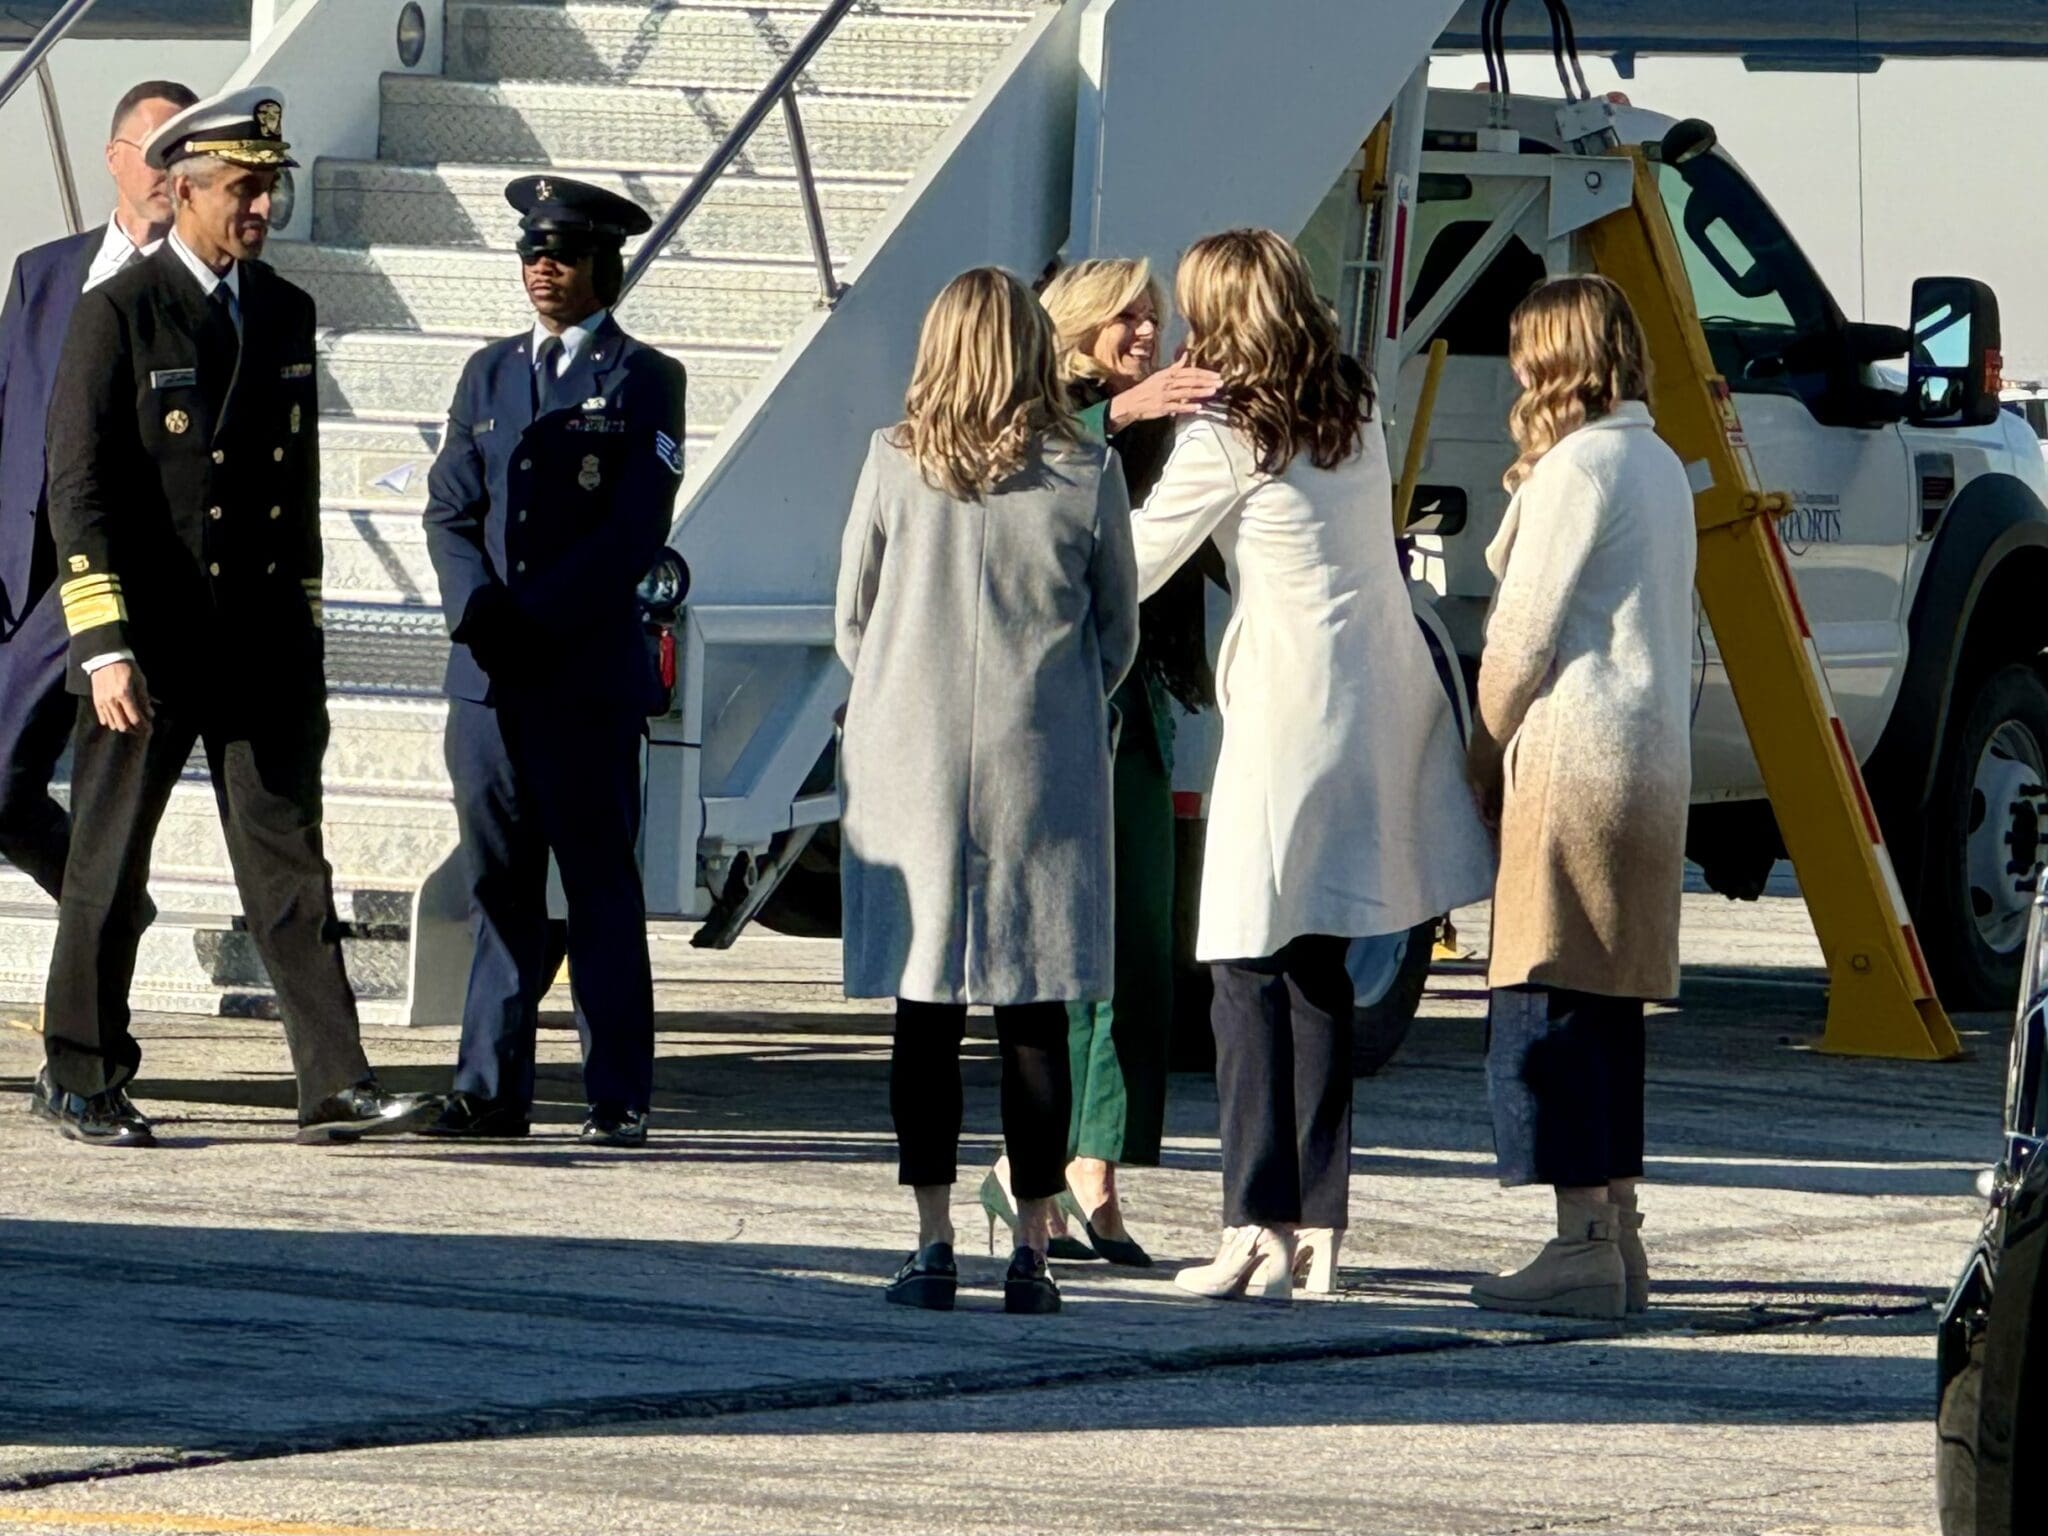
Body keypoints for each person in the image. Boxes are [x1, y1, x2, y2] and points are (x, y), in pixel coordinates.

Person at [30, 87, 437, 1147]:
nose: (261, 206)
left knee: (290, 865)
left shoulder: (285, 311)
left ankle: (335, 1083)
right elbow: (79, 490)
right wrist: (102, 643)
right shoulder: (117, 311)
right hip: (148, 647)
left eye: (270, 187)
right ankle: (80, 1071)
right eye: (244, 188)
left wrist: (302, 642)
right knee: (109, 867)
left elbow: (290, 492)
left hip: (257, 643)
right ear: (184, 190)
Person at [1128, 229, 1492, 1302]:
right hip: (1372, 696)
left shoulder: (1226, 432)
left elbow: (1134, 563)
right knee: (1317, 961)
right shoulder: (1351, 401)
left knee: (1242, 961)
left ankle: (1250, 1219)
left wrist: (1117, 424)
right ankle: (1320, 1222)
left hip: (1287, 710)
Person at [835, 267, 1138, 1315]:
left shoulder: (891, 463)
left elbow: (852, 616)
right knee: (1034, 1007)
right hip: (1036, 759)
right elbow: (1116, 633)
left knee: (922, 1009)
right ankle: (1034, 1250)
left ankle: (928, 1243)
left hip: (910, 760)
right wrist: (1048, 704)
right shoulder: (1083, 470)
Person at [417, 176, 688, 1148]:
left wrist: (528, 618)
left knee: (598, 886)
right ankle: (490, 1087)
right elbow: (449, 509)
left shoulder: (643, 378)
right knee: (500, 887)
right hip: (487, 681)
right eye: (532, 252)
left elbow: (629, 535)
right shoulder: (488, 374)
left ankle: (616, 1092)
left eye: (564, 254)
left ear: (604, 267)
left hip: (577, 679)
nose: (544, 269)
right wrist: (475, 611)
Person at [975, 258, 1219, 1268]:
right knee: (1075, 942)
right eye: (1126, 317)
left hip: (1137, 701)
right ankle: (1058, 1172)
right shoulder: (1037, 414)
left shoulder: (1152, 420)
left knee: (1140, 939)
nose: (1143, 334)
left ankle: (1091, 1167)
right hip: (1062, 709)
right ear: (1073, 326)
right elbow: (1008, 480)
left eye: (1153, 318)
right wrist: (1117, 418)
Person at [1463, 275, 1694, 1320]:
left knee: (1544, 999)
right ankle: (1620, 1233)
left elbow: (1518, 645)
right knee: (1610, 1006)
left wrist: (1479, 744)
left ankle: (1575, 1242)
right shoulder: (1656, 463)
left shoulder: (1575, 469)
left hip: (1575, 755)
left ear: (1547, 361)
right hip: (1652, 762)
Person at [0, 79, 197, 902]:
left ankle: (102, 928)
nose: (168, 169)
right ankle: (111, 911)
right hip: (25, 566)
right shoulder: (44, 273)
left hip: (115, 569)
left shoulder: (198, 291)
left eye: (184, 153)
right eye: (154, 151)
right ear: (114, 159)